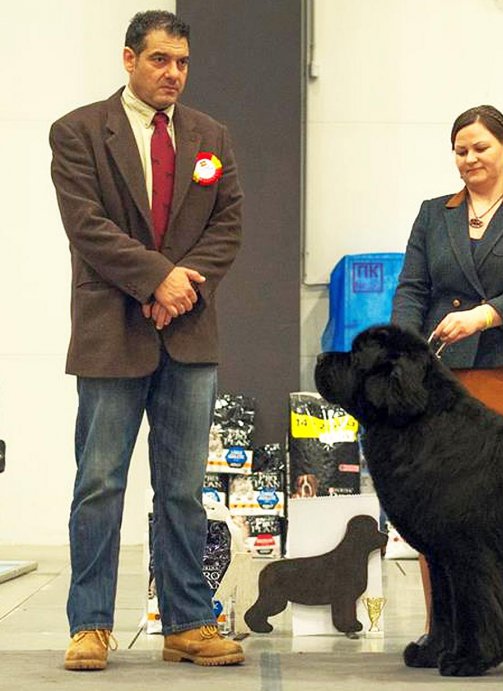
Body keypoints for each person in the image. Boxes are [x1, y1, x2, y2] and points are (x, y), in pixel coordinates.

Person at [50, 10, 245, 671]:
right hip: (112, 331)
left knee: (184, 488)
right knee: (99, 482)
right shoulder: (78, 131)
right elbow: (88, 226)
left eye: (183, 62)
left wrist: (180, 286)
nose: (173, 73)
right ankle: (90, 624)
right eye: (161, 60)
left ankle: (188, 620)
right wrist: (158, 278)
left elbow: (227, 226)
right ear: (129, 59)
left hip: (188, 332)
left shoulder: (211, 136)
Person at [391, 104, 503, 652]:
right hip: (441, 381)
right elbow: (413, 288)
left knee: (498, 512)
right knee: (435, 509)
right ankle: (442, 631)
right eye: (460, 150)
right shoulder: (431, 213)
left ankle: (487, 633)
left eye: (481, 148)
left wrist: (482, 316)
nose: (469, 159)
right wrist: (402, 352)